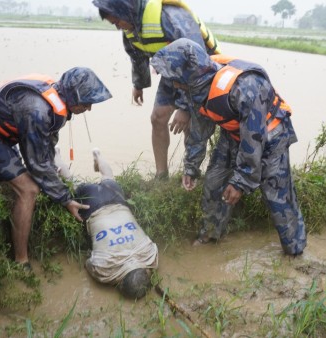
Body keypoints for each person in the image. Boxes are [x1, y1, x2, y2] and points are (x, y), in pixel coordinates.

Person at [150, 38, 307, 256]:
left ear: (187, 74)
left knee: (277, 196)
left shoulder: (245, 86)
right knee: (214, 182)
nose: (172, 85)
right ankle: (209, 237)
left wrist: (240, 182)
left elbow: (253, 140)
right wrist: (191, 168)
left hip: (271, 136)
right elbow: (199, 130)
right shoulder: (196, 87)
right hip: (233, 135)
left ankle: (295, 251)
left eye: (174, 79)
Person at [0, 67, 112, 268]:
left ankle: (9, 210)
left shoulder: (55, 98)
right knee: (29, 189)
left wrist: (53, 178)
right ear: (73, 96)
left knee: (30, 178)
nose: (89, 108)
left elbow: (44, 148)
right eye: (87, 102)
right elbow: (37, 164)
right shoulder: (36, 110)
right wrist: (65, 199)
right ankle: (21, 261)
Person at [92, 0, 221, 178]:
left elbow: (197, 61)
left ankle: (191, 174)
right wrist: (139, 85)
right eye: (113, 24)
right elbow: (137, 56)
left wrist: (185, 108)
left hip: (203, 73)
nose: (117, 27)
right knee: (157, 117)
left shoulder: (170, 17)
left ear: (126, 11)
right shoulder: (130, 26)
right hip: (173, 72)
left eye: (117, 22)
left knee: (191, 124)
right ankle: (161, 176)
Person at [74, 149, 158, 299]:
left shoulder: (151, 255)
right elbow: (88, 263)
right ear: (119, 283)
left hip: (118, 201)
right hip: (93, 206)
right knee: (73, 183)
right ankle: (57, 156)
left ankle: (98, 155)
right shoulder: (104, 270)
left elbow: (150, 267)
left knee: (108, 176)